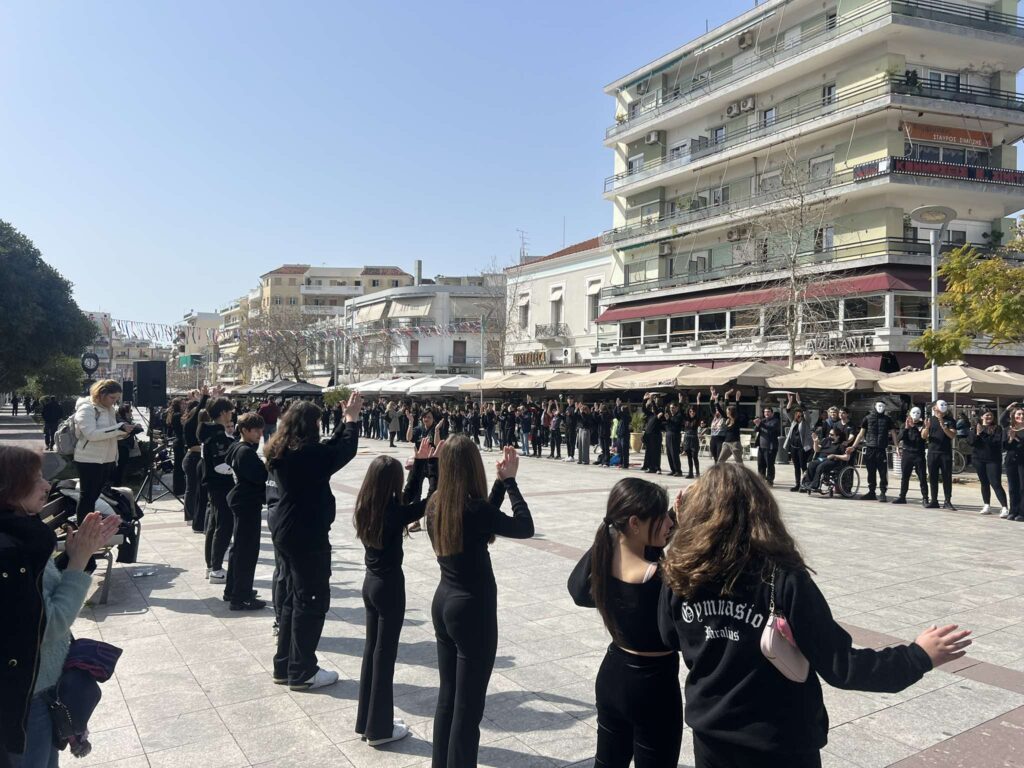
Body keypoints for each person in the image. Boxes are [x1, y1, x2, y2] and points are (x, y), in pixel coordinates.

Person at [659, 463, 972, 768]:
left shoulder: (681, 575)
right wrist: (919, 655)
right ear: (763, 510)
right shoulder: (781, 577)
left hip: (712, 736)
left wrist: (680, 527)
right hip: (778, 741)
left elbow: (669, 635)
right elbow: (842, 666)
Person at [1, 445, 122, 768]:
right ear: (9, 489)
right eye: (36, 479)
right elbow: (47, 625)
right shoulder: (9, 550)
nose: (47, 486)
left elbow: (39, 592)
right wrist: (79, 560)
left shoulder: (21, 534)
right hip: (26, 697)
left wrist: (75, 555)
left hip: (37, 689)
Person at [427, 440, 533, 767]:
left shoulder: (435, 504)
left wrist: (500, 485)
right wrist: (511, 482)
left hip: (444, 602)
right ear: (474, 468)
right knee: (468, 708)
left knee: (448, 699)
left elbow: (480, 522)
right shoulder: (475, 510)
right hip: (473, 610)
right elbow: (524, 527)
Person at [568, 478, 682, 766]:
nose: (668, 525)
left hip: (613, 676)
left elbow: (577, 590)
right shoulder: (660, 578)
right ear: (634, 523)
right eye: (661, 518)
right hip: (654, 686)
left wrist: (672, 518)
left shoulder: (605, 566)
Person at [268, 393, 362, 691]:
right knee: (310, 600)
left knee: (291, 599)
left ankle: (284, 665)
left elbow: (329, 450)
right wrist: (351, 421)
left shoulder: (284, 449)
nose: (322, 428)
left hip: (287, 530)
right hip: (306, 534)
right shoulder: (304, 456)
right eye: (319, 423)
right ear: (310, 425)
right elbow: (341, 452)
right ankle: (302, 670)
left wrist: (344, 422)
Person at [353, 439, 439, 747]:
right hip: (389, 587)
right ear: (392, 483)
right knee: (384, 656)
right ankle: (379, 729)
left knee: (371, 652)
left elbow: (409, 500)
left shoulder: (368, 505)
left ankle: (367, 721)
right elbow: (430, 500)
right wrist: (433, 467)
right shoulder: (392, 513)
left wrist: (417, 464)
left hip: (370, 584)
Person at [73, 380, 136, 525]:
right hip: (89, 459)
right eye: (112, 398)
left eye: (117, 399)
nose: (114, 402)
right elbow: (91, 434)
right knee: (87, 496)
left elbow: (111, 432)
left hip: (106, 459)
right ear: (101, 394)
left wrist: (125, 432)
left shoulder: (109, 410)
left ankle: (89, 527)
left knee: (94, 496)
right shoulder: (87, 408)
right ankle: (83, 528)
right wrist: (118, 429)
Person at [224, 412, 268, 610]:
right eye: (255, 430)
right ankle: (241, 596)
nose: (260, 433)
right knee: (247, 551)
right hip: (247, 503)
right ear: (244, 431)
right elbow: (260, 476)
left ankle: (233, 589)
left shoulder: (237, 446)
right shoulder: (246, 452)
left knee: (239, 549)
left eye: (261, 429)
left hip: (241, 501)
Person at [199, 397, 236, 583]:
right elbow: (220, 465)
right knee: (223, 525)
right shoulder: (217, 435)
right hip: (220, 485)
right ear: (223, 413)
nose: (232, 414)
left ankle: (211, 566)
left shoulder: (210, 432)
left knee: (214, 525)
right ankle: (216, 568)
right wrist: (238, 469)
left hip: (214, 485)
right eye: (230, 411)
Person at [851, 402, 898, 502]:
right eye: (879, 406)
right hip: (870, 448)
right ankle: (871, 492)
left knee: (882, 472)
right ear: (874, 407)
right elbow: (860, 434)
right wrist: (853, 446)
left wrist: (897, 446)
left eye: (883, 406)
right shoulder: (867, 418)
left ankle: (883, 493)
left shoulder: (887, 419)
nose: (881, 408)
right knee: (871, 472)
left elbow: (893, 433)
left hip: (881, 449)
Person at [969, 410, 1009, 517]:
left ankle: (1004, 507)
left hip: (993, 460)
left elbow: (995, 443)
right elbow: (971, 442)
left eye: (991, 415)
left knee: (995, 483)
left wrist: (982, 433)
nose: (989, 417)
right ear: (982, 416)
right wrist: (977, 434)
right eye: (986, 415)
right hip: (978, 459)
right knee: (984, 483)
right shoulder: (975, 427)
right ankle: (986, 505)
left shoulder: (997, 428)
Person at [182, 389, 209, 533]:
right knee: (191, 489)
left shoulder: (200, 427)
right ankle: (190, 516)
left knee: (198, 490)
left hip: (197, 459)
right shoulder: (189, 424)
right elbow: (200, 410)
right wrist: (204, 397)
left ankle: (196, 516)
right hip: (192, 459)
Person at [922, 400, 957, 510]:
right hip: (933, 452)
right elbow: (923, 436)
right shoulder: (929, 420)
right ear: (934, 408)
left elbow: (952, 435)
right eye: (941, 405)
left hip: (945, 453)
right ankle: (934, 500)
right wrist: (927, 427)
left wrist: (944, 426)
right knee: (933, 477)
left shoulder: (950, 420)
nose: (944, 406)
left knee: (947, 477)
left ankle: (947, 501)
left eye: (945, 405)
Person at [892, 407, 929, 507]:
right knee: (905, 476)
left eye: (918, 413)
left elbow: (921, 440)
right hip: (907, 453)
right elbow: (899, 438)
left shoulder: (923, 425)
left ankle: (925, 498)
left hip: (919, 454)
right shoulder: (904, 425)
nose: (915, 414)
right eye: (913, 412)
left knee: (922, 477)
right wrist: (906, 429)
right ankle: (902, 496)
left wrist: (913, 427)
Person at [802, 428, 854, 493]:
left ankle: (814, 485)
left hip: (833, 461)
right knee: (812, 464)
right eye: (829, 434)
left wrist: (835, 455)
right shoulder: (826, 441)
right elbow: (817, 450)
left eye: (832, 435)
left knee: (820, 467)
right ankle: (807, 483)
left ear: (837, 436)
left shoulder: (841, 444)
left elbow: (847, 457)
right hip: (821, 459)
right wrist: (815, 441)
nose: (829, 436)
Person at [783, 401, 814, 492]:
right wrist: (789, 402)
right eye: (796, 414)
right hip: (793, 447)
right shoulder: (793, 422)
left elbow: (807, 414)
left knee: (803, 466)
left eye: (799, 414)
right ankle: (797, 484)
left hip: (803, 448)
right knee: (796, 466)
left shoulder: (806, 422)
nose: (798, 415)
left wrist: (800, 402)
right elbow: (787, 411)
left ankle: (805, 485)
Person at [713, 388, 746, 464]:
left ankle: (743, 475)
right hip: (726, 443)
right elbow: (720, 409)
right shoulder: (727, 418)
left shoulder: (736, 419)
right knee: (720, 461)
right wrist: (716, 400)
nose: (726, 412)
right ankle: (721, 475)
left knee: (739, 462)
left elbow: (737, 408)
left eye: (728, 411)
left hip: (735, 444)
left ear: (731, 412)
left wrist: (737, 399)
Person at [1003, 405, 1024, 522]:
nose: (1021, 416)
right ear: (1013, 416)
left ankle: (1022, 512)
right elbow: (1004, 446)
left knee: (1022, 488)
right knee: (1012, 488)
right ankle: (1013, 511)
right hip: (1011, 461)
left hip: (1023, 461)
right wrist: (1010, 439)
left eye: (1022, 414)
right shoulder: (1008, 429)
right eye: (1018, 414)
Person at [753, 406, 781, 487]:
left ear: (772, 413)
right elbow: (755, 430)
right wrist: (757, 424)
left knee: (769, 464)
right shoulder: (763, 421)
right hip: (761, 447)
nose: (766, 413)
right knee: (760, 464)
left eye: (768, 411)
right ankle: (761, 480)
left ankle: (769, 481)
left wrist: (760, 423)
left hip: (771, 447)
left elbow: (770, 428)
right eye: (765, 412)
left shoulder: (775, 421)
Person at [641, 395, 664, 474]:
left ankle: (657, 468)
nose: (652, 409)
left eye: (653, 407)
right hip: (649, 436)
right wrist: (644, 400)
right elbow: (643, 409)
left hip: (656, 436)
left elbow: (657, 411)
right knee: (650, 452)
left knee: (656, 453)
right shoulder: (650, 415)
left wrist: (653, 401)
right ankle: (651, 468)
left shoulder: (659, 414)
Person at [682, 396, 702, 479]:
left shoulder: (696, 419)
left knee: (695, 457)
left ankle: (697, 472)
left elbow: (699, 411)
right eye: (690, 411)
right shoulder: (686, 419)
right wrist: (680, 401)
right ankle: (690, 473)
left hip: (694, 439)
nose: (692, 413)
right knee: (689, 457)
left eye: (693, 411)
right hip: (687, 439)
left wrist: (698, 400)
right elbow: (680, 411)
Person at [664, 398, 684, 477]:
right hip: (668, 435)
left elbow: (674, 425)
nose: (671, 409)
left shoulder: (678, 416)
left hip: (674, 436)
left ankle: (678, 471)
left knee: (674, 454)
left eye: (673, 408)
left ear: (677, 408)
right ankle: (673, 470)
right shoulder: (671, 416)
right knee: (669, 454)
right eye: (670, 408)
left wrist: (668, 420)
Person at [564, 396, 578, 463]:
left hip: (572, 427)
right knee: (567, 442)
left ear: (573, 400)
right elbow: (565, 417)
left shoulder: (574, 408)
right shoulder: (567, 408)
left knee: (571, 441)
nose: (569, 401)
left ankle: (572, 456)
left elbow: (575, 417)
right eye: (568, 399)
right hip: (567, 427)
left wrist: (570, 414)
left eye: (571, 400)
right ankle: (569, 455)